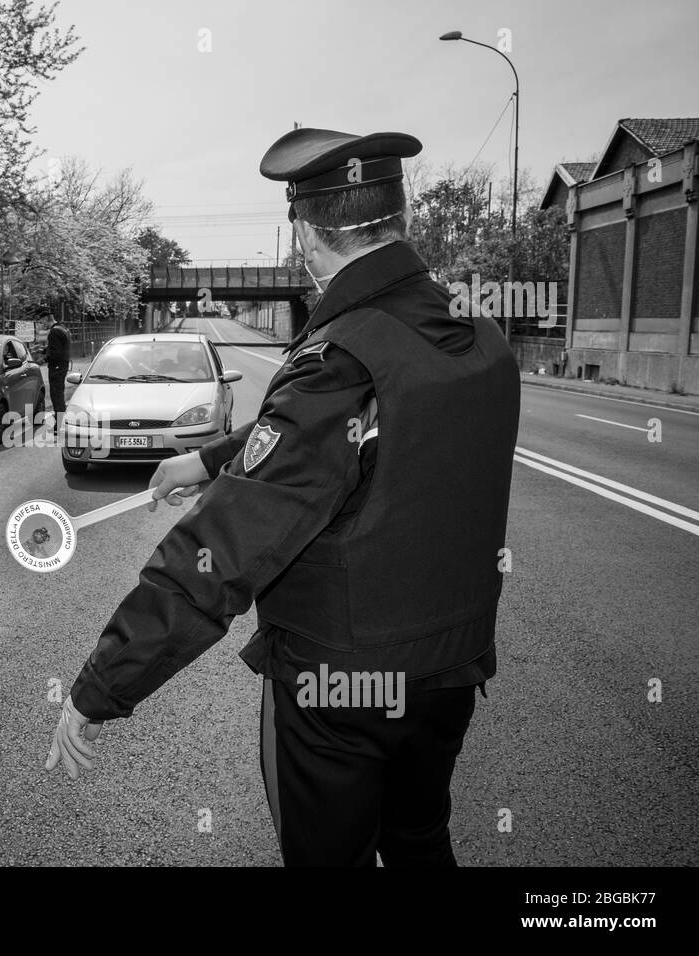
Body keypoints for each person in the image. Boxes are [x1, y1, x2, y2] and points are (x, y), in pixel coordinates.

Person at [44, 127, 521, 867]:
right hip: (451, 668)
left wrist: (101, 685)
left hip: (342, 684)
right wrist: (208, 459)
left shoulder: (338, 357)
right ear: (399, 217)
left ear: (306, 232)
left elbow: (220, 555)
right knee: (421, 839)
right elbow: (362, 433)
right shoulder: (478, 335)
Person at [45, 315, 72, 417]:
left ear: (46, 319)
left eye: (42, 322)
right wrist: (44, 351)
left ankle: (59, 420)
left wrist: (44, 359)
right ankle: (61, 416)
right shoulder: (63, 328)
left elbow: (56, 353)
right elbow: (59, 347)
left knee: (56, 394)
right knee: (59, 392)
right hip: (63, 365)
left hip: (57, 367)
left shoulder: (54, 332)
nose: (42, 325)